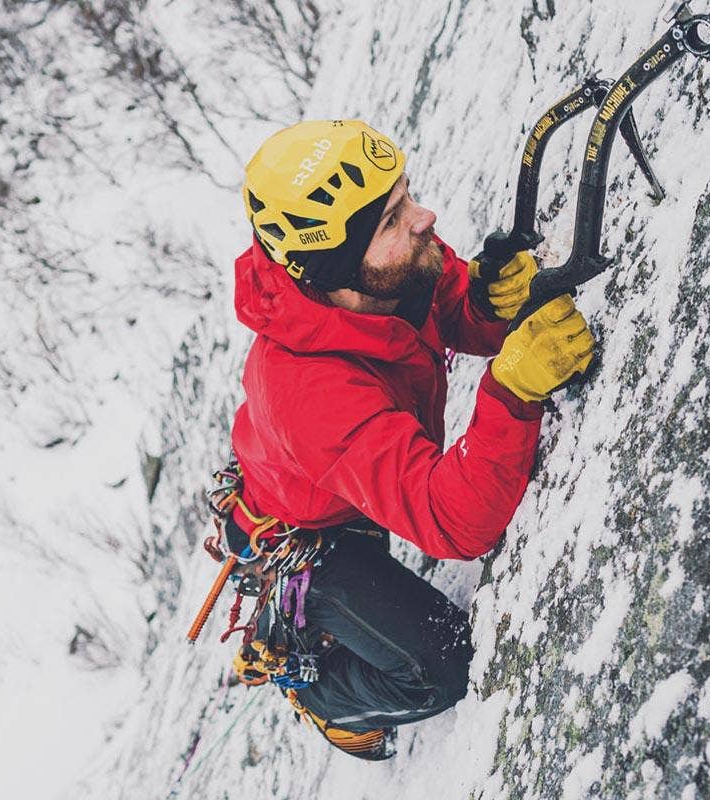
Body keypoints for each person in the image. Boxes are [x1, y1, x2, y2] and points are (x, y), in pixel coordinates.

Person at [220, 119, 594, 760]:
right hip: (304, 535)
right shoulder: (309, 393)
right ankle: (323, 699)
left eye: (406, 195)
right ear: (334, 266)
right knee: (438, 665)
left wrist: (484, 305)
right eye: (393, 219)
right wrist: (513, 392)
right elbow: (452, 524)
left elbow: (442, 301)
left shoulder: (374, 272)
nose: (424, 217)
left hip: (330, 479)